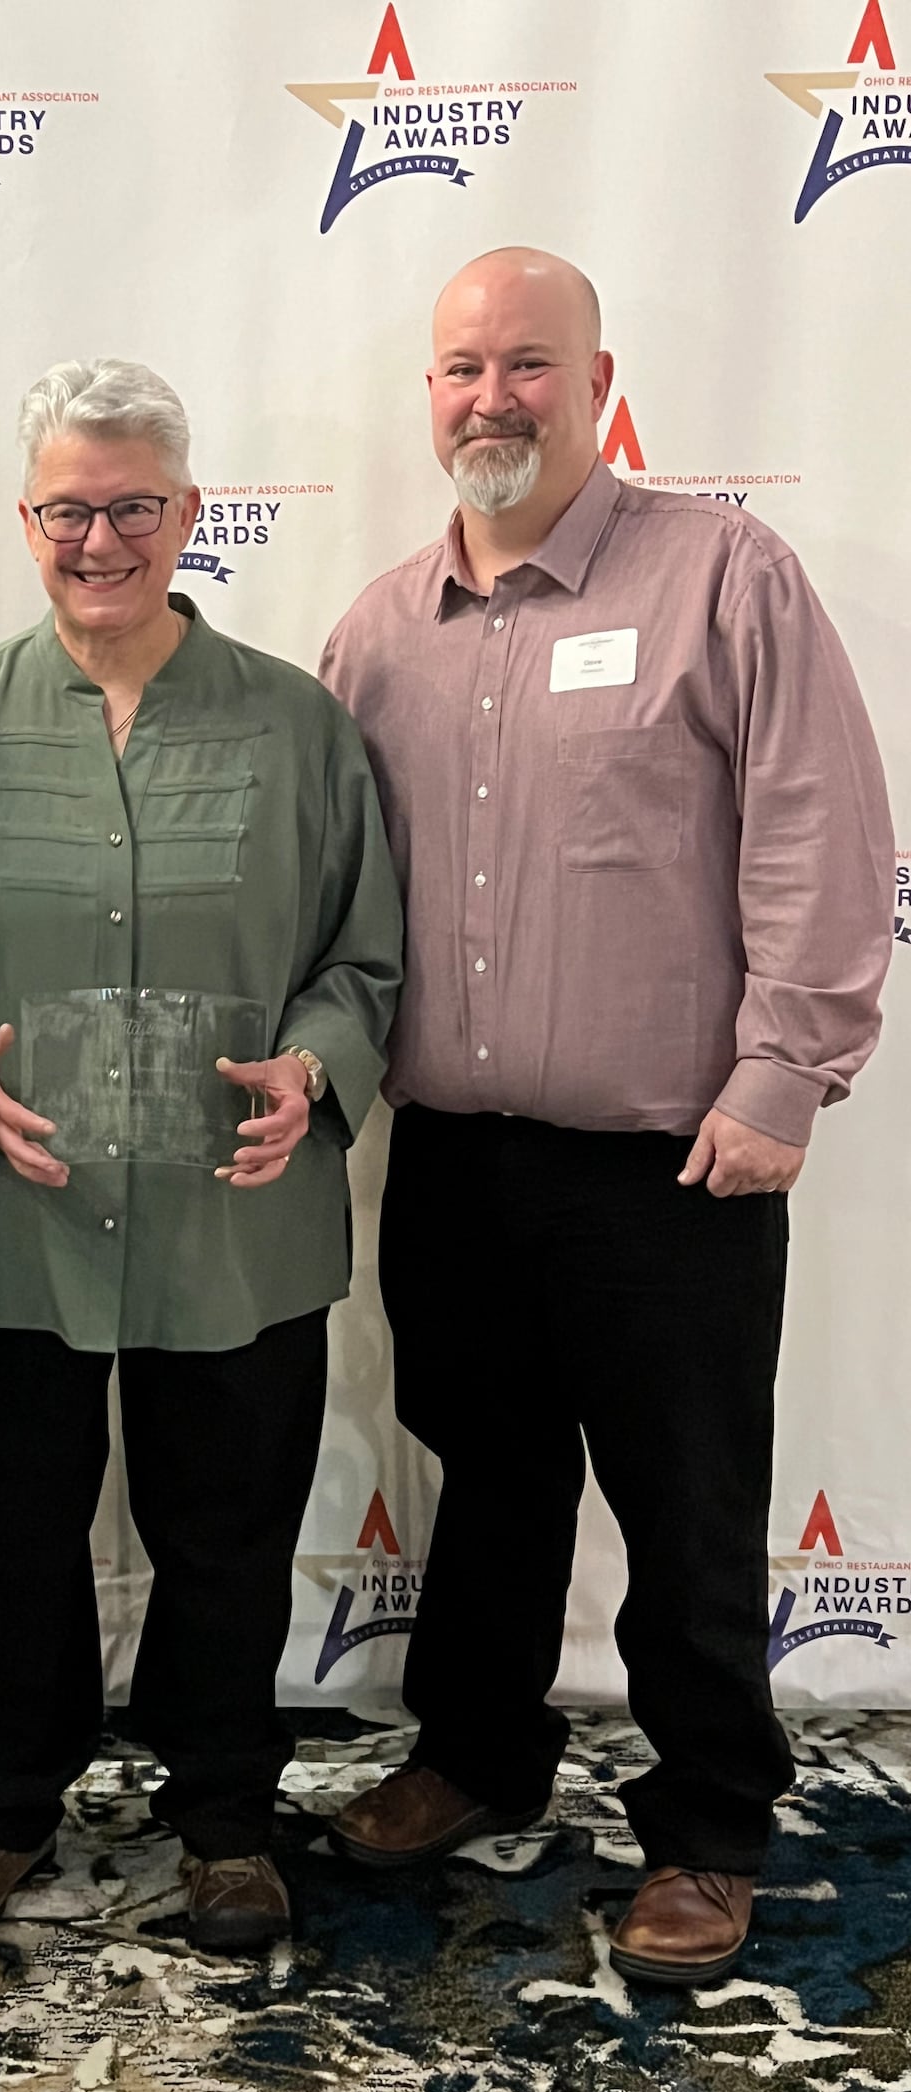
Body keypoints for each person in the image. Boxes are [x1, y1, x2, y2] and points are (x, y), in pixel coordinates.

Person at [319, 249, 894, 1987]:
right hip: (458, 1162)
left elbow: (819, 832)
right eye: (461, 369)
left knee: (689, 1504)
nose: (491, 397)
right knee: (486, 1485)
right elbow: (332, 888)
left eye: (527, 365)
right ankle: (479, 1753)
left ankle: (712, 1823)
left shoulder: (726, 576)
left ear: (597, 379)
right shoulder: (374, 631)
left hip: (676, 1163)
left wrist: (786, 1068)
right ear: (429, 394)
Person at [0, 358, 402, 1953]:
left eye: (131, 506)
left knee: (231, 1533)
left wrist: (316, 1072)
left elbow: (365, 960)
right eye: (68, 508)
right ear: (24, 519)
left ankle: (229, 1818)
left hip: (230, 1223)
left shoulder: (300, 723)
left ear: (187, 514)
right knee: (0, 1528)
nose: (97, 538)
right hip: (8, 1215)